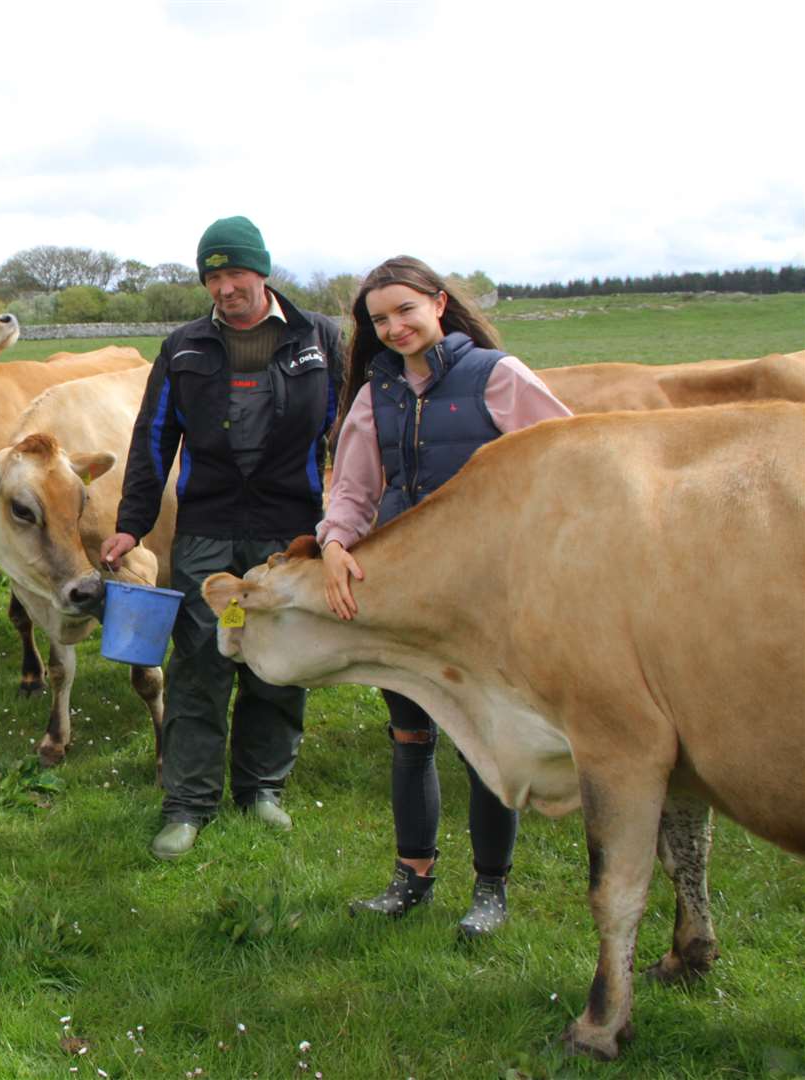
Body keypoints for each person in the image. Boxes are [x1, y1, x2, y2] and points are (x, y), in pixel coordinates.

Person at [318, 255, 571, 937]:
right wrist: (336, 543)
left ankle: (490, 891)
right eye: (379, 319)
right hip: (404, 591)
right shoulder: (377, 394)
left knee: (480, 741)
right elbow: (354, 487)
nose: (394, 326)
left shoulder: (499, 376)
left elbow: (567, 462)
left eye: (405, 309)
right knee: (409, 737)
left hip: (486, 594)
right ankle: (411, 878)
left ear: (437, 303)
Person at [103, 216, 344, 860]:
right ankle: (189, 800)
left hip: (286, 533)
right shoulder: (184, 347)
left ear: (262, 271)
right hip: (208, 533)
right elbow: (153, 439)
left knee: (277, 656)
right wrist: (131, 522)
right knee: (203, 659)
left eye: (234, 271)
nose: (224, 287)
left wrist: (349, 519)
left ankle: (262, 787)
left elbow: (348, 433)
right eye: (212, 275)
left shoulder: (319, 339)